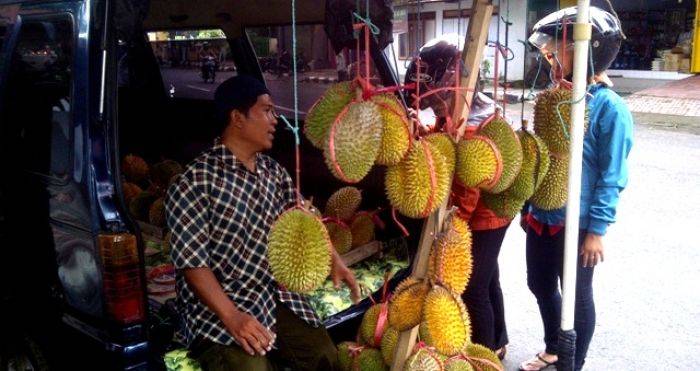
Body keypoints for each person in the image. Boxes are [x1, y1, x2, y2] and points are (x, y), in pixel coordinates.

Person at [165, 75, 360, 371]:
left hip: (271, 294)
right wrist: (233, 317)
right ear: (237, 118)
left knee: (324, 357)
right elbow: (193, 264)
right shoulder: (194, 182)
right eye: (267, 110)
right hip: (218, 308)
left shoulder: (273, 172)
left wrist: (335, 260)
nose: (275, 120)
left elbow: (305, 217)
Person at [518, 7, 633, 371]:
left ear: (590, 51)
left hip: (579, 221)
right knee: (538, 283)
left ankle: (573, 363)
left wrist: (597, 230)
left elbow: (612, 176)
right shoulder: (556, 97)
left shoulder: (610, 108)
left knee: (577, 297)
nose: (551, 55)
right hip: (542, 212)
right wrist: (527, 205)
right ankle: (554, 347)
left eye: (561, 48)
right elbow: (542, 158)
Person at [405, 36, 509, 358]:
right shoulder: (459, 108)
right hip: (483, 209)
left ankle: (485, 355)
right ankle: (500, 341)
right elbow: (443, 144)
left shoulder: (473, 123)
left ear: (449, 87)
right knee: (488, 275)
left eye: (432, 99)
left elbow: (467, 188)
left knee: (474, 286)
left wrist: (449, 230)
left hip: (488, 214)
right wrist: (418, 134)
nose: (429, 106)